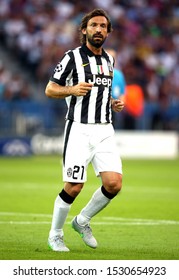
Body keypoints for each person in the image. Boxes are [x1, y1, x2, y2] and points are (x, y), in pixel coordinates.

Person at [45, 8, 124, 252]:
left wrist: (112, 103)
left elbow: (101, 92)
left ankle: (81, 221)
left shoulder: (109, 61)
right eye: (94, 25)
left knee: (114, 184)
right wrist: (71, 90)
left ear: (108, 32)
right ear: (84, 30)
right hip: (79, 129)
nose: (98, 29)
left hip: (105, 130)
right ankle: (55, 235)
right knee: (74, 186)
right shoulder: (71, 58)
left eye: (103, 26)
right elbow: (50, 89)